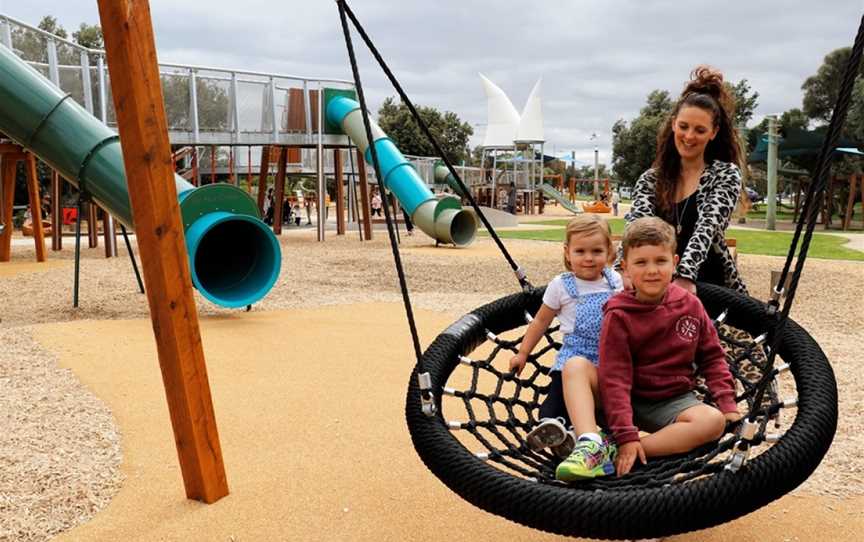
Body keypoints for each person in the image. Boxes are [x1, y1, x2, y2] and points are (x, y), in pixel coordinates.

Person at [600, 217, 741, 477]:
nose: (652, 270)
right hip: (628, 398)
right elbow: (614, 377)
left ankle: (630, 449)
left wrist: (727, 403)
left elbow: (712, 357)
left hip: (673, 399)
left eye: (660, 261)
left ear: (674, 263)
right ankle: (621, 441)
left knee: (713, 422)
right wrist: (625, 431)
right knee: (580, 374)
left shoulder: (690, 305)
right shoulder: (619, 315)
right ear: (625, 268)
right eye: (641, 262)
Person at [509, 215, 623, 481]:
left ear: (609, 251)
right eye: (580, 251)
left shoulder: (614, 280)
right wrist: (523, 352)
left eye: (597, 251)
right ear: (567, 253)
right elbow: (540, 321)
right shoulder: (561, 285)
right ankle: (554, 428)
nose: (588, 258)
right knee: (557, 397)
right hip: (573, 357)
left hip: (608, 359)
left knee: (602, 409)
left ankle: (577, 437)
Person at [618, 65, 747, 294]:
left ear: (713, 132)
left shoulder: (725, 175)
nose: (689, 136)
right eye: (684, 127)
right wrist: (622, 267)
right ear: (673, 123)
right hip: (654, 281)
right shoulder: (651, 179)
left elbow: (706, 227)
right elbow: (636, 226)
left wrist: (685, 275)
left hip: (708, 282)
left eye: (699, 130)